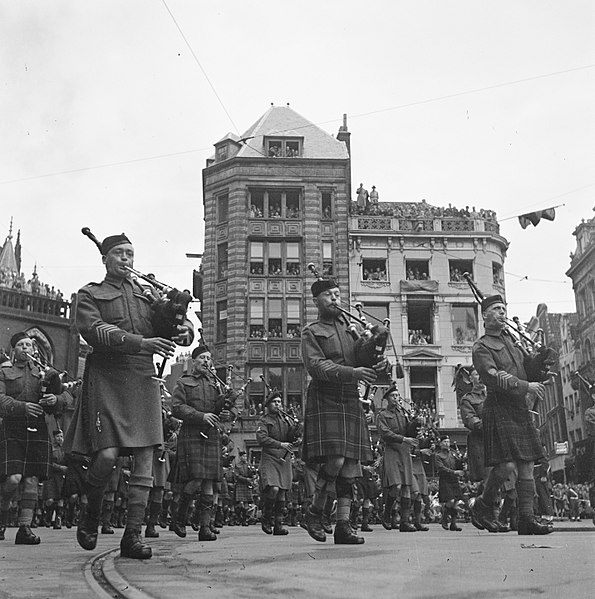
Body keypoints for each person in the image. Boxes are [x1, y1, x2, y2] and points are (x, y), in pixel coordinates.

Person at [64, 232, 193, 559]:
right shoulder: (90, 294)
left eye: (130, 254)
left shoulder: (147, 295)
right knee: (106, 456)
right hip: (107, 376)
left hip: (142, 379)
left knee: (144, 461)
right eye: (119, 253)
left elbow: (181, 333)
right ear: (105, 258)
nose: (126, 259)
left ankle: (132, 536)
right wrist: (140, 343)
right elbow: (94, 330)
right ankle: (91, 514)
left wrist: (179, 322)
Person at [301, 275, 390, 544]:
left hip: (349, 396)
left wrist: (378, 360)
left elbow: (365, 359)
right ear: (317, 300)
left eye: (338, 294)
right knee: (336, 460)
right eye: (329, 295)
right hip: (326, 395)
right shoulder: (311, 332)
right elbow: (316, 366)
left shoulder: (352, 329)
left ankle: (343, 525)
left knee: (351, 467)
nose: (335, 299)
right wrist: (352, 372)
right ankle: (315, 511)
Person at [469, 294, 553, 535]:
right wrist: (527, 386)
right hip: (499, 406)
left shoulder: (511, 341)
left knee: (526, 464)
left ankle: (526, 519)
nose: (502, 312)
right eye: (496, 309)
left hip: (518, 406)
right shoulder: (481, 346)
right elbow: (494, 376)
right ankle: (483, 505)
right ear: (485, 315)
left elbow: (527, 368)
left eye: (504, 308)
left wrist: (541, 364)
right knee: (505, 466)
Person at [0, 332, 69, 544]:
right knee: (13, 478)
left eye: (28, 345)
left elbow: (66, 398)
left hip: (38, 428)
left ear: (34, 349)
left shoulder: (46, 373)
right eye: (21, 345)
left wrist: (54, 399)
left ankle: (24, 528)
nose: (25, 348)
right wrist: (21, 407)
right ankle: (2, 516)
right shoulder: (4, 371)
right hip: (12, 427)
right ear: (14, 350)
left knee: (32, 479)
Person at [169, 343, 235, 541]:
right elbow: (177, 408)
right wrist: (201, 416)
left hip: (211, 434)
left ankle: (205, 528)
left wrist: (226, 411)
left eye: (208, 358)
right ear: (194, 361)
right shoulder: (183, 382)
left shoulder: (216, 384)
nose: (206, 361)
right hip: (192, 433)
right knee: (196, 478)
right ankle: (179, 517)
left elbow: (225, 411)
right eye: (202, 358)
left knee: (209, 482)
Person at [256, 390, 300, 535]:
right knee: (273, 489)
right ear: (268, 405)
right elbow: (261, 439)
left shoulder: (286, 419)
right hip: (270, 456)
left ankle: (278, 525)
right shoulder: (264, 420)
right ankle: (266, 517)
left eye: (280, 402)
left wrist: (296, 431)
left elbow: (290, 436)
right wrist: (280, 444)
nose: (278, 404)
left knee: (282, 492)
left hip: (284, 457)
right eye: (275, 402)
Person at [376, 385, 419, 532]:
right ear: (387, 398)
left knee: (406, 486)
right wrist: (404, 439)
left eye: (397, 395)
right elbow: (385, 434)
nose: (396, 398)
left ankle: (405, 522)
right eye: (393, 396)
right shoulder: (382, 415)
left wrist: (415, 422)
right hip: (392, 451)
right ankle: (387, 513)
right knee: (396, 486)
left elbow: (409, 431)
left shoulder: (402, 413)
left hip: (404, 451)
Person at [434, 435, 464, 531]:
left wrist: (462, 459)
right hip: (445, 480)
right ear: (440, 443)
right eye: (445, 442)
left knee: (455, 502)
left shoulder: (453, 454)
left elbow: (458, 465)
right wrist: (454, 472)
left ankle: (453, 524)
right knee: (450, 501)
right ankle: (444, 517)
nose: (447, 444)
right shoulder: (438, 456)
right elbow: (441, 468)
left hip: (454, 480)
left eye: (448, 441)